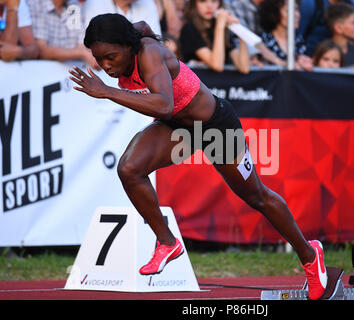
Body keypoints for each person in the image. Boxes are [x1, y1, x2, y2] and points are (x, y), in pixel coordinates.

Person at [68, 13, 328, 300]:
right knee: (129, 169)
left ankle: (308, 253)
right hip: (178, 129)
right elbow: (141, 28)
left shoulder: (150, 55)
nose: (105, 66)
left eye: (111, 57)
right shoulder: (131, 38)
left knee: (256, 196)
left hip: (215, 126)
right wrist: (113, 75)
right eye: (99, 58)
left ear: (128, 46)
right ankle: (167, 242)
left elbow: (164, 105)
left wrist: (106, 92)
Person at [179, 0, 250, 73]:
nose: (209, 6)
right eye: (203, 1)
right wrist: (220, 26)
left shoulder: (223, 29)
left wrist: (240, 31)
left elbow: (244, 68)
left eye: (214, 1)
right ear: (194, 4)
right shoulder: (189, 29)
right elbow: (217, 65)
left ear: (220, 4)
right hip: (199, 81)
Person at [26, 0, 99, 69]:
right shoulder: (35, 4)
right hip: (41, 75)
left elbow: (82, 45)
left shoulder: (74, 4)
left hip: (70, 73)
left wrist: (91, 56)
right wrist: (82, 53)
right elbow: (42, 51)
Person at [224, 0, 288, 67]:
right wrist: (278, 61)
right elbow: (243, 35)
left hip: (266, 64)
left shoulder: (271, 5)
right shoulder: (235, 5)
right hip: (242, 64)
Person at [259, 0, 313, 70]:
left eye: (296, 10)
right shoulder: (262, 40)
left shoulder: (300, 41)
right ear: (275, 14)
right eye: (289, 11)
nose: (296, 15)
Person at [82, 0, 162, 36]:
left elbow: (154, 39)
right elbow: (97, 41)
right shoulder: (95, 3)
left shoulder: (147, 2)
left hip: (140, 60)